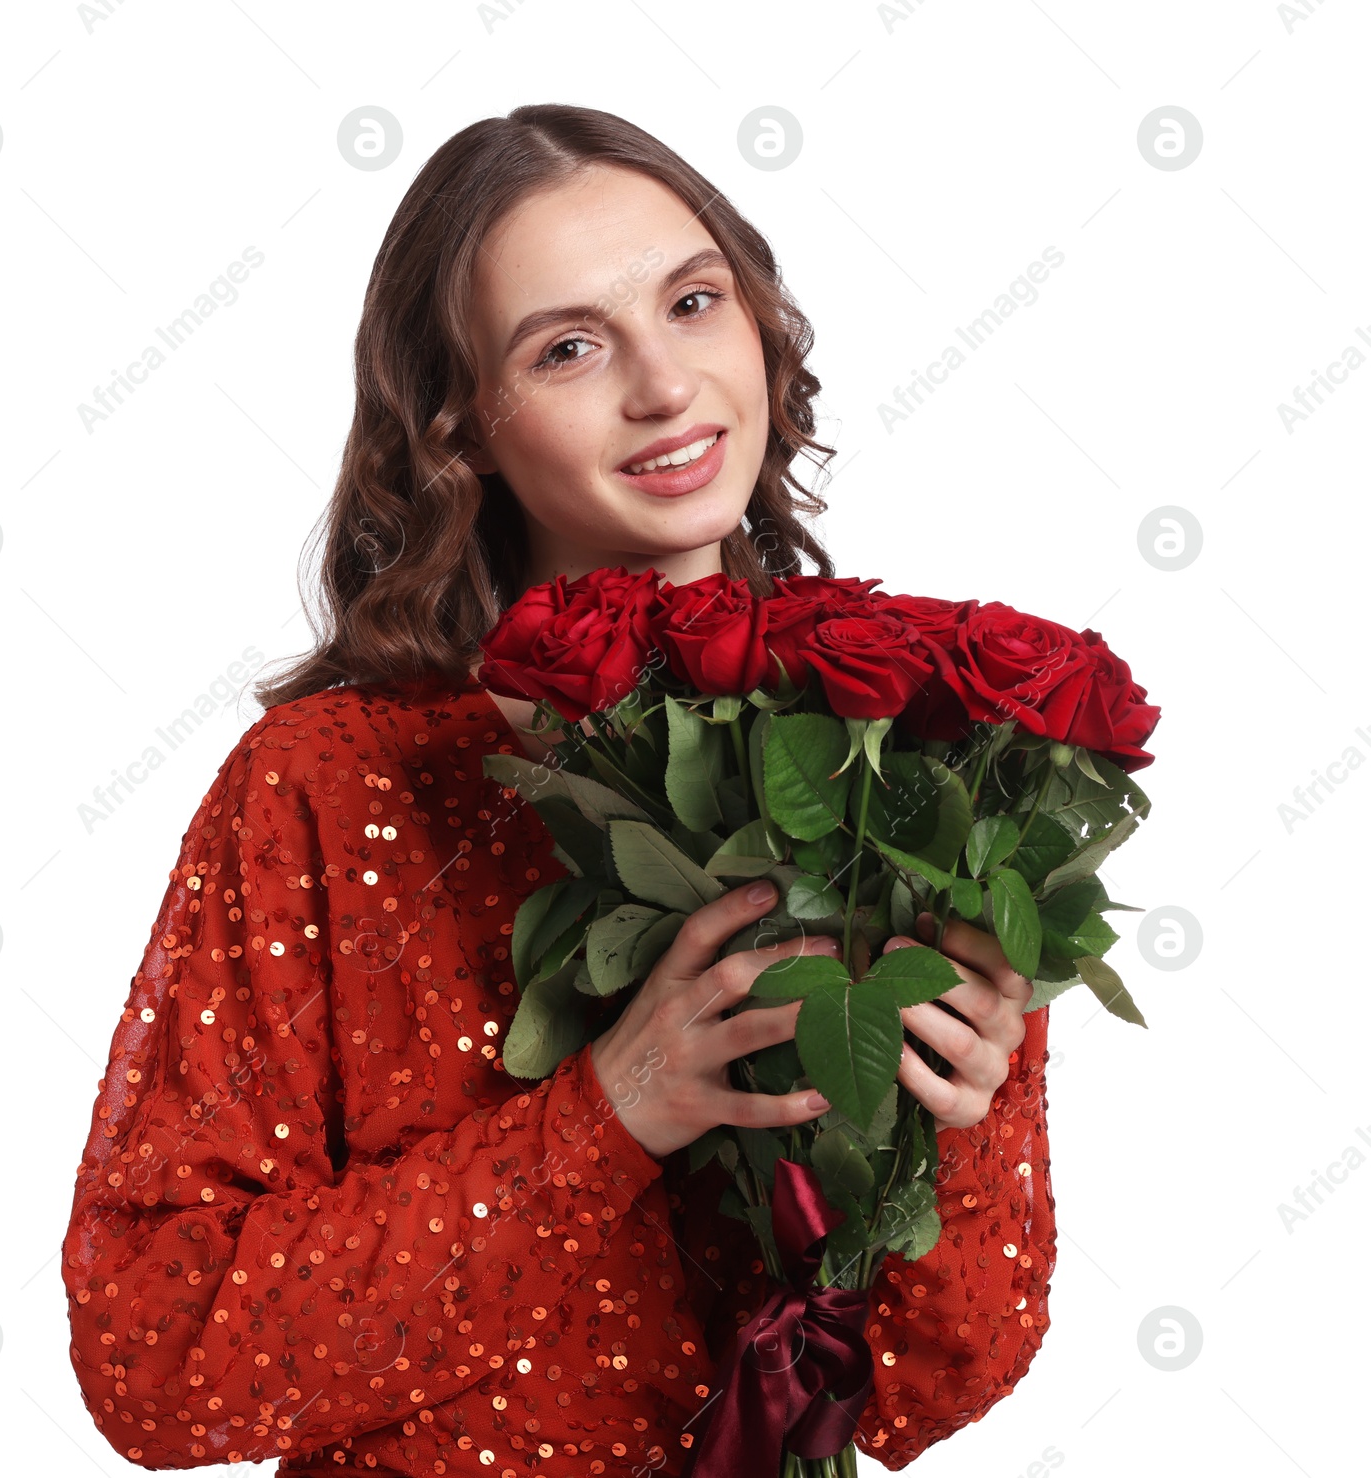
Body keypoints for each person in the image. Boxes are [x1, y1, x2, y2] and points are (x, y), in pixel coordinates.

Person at [60, 103, 1056, 1476]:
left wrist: (968, 1117)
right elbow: (154, 1360)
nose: (665, 385)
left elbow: (927, 1389)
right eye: (570, 346)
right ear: (458, 422)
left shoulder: (897, 760)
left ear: (760, 326)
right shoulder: (336, 784)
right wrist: (610, 1116)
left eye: (694, 303)